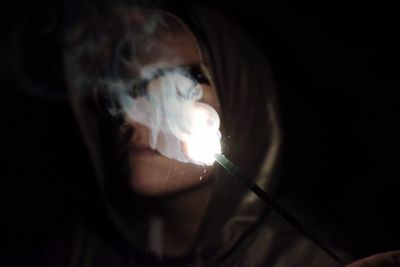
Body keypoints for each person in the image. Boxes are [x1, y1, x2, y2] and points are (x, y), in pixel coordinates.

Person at [43, 1, 400, 266]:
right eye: (127, 86)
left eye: (187, 80)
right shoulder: (74, 248)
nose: (137, 111)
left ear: (244, 102)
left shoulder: (311, 258)